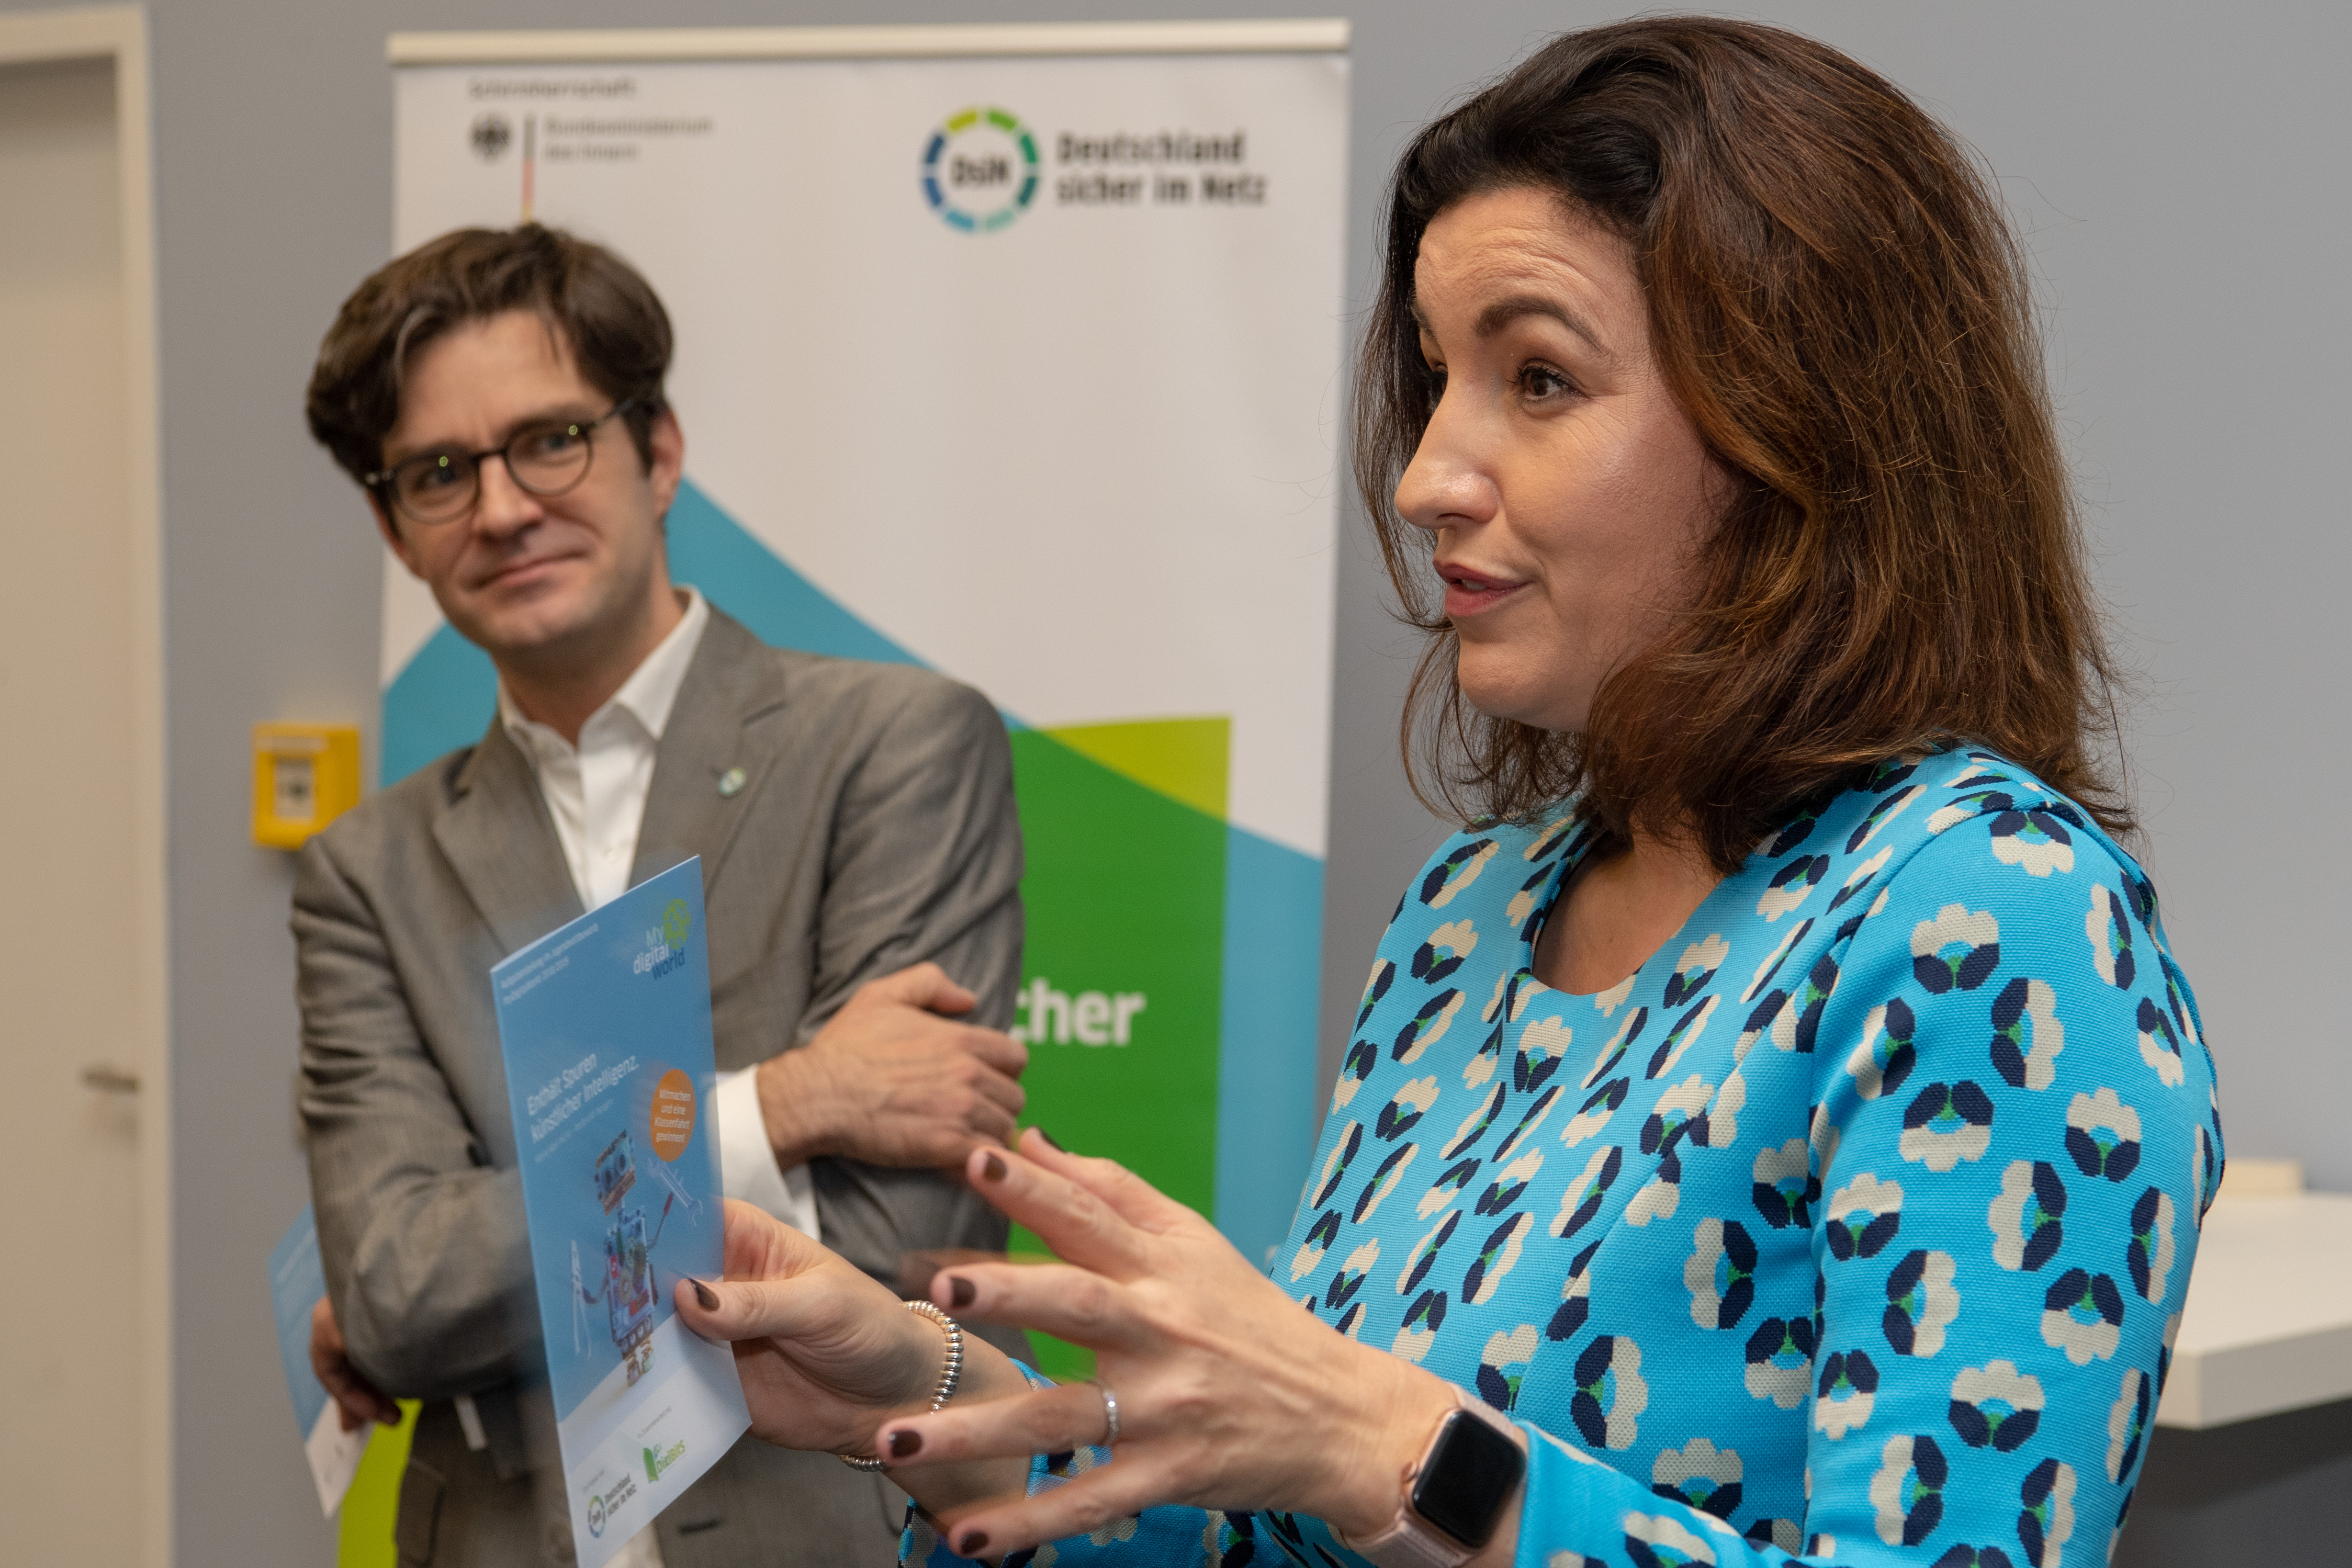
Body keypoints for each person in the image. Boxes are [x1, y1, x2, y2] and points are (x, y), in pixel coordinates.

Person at [669, 17, 2224, 1568]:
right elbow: (1285, 1536)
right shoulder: (1467, 910)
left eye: (1539, 377)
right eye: (1434, 376)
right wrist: (933, 1390)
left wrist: (1385, 1442)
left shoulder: (1988, 918)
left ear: (1801, 431)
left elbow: (1380, 1465)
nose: (1425, 476)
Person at [293, 224, 1033, 1568]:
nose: (502, 508)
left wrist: (498, 1252)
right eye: (440, 472)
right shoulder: (365, 874)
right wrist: (786, 1105)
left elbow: (894, 1247)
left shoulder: (896, 749)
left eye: (552, 439)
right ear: (394, 528)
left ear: (660, 450)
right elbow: (398, 1295)